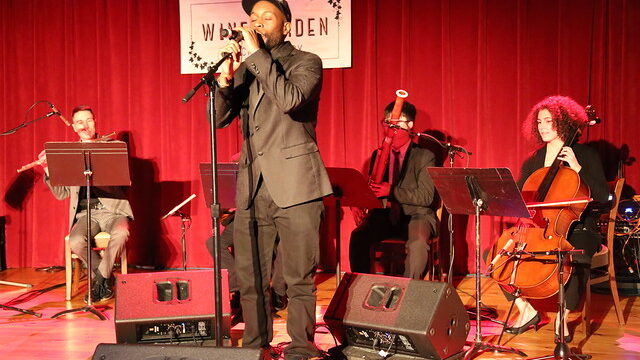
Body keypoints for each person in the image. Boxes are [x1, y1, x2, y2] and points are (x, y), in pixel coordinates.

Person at [214, 1, 332, 358]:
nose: (258, 24)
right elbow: (218, 120)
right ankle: (255, 347)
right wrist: (225, 79)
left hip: (297, 185)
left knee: (298, 279)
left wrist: (255, 57)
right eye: (253, 19)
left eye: (267, 18)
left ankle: (300, 348)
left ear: (287, 27)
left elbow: (290, 99)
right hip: (253, 188)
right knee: (251, 279)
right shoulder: (248, 69)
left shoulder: (306, 62)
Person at [499, 95, 608, 342]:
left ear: (565, 123)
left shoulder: (585, 154)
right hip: (540, 229)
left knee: (575, 255)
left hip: (579, 227)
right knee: (495, 257)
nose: (543, 126)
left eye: (550, 121)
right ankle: (526, 312)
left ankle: (562, 315)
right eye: (539, 122)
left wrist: (577, 168)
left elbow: (603, 195)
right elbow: (520, 197)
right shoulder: (534, 160)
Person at [38, 105, 133, 303]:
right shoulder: (69, 155)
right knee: (75, 241)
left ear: (95, 121)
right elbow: (61, 194)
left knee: (122, 233)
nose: (85, 125)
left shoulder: (111, 146)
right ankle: (105, 278)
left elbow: (122, 184)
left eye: (89, 120)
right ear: (74, 127)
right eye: (80, 122)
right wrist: (48, 170)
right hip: (85, 214)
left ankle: (98, 280)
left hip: (113, 210)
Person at [349, 101, 437, 279]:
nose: (391, 128)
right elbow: (372, 188)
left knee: (418, 244)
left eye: (397, 123)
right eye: (388, 123)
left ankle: (406, 293)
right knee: (358, 237)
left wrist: (391, 190)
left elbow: (426, 197)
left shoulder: (425, 156)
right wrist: (358, 203)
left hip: (416, 215)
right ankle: (362, 287)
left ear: (410, 126)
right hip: (384, 216)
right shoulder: (378, 154)